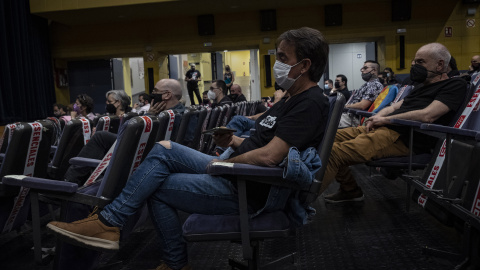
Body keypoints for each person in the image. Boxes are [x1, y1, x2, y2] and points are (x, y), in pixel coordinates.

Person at [47, 27, 330, 270]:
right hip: (239, 170)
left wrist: (224, 165)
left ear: (304, 65)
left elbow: (271, 157)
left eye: (283, 57)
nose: (277, 63)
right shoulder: (290, 99)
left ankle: (132, 237)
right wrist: (233, 141)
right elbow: (264, 143)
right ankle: (114, 226)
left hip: (250, 188)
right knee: (164, 147)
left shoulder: (309, 102)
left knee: (158, 182)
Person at [321, 43, 467, 203]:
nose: (414, 66)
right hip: (382, 128)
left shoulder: (455, 85)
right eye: (414, 62)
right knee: (325, 139)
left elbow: (428, 115)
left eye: (420, 62)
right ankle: (350, 190)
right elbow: (394, 106)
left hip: (404, 137)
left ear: (440, 64)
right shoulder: (420, 86)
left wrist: (385, 120)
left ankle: (300, 203)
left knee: (334, 153)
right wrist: (376, 118)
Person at [64, 80, 185, 186]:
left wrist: (149, 115)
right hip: (155, 152)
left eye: (155, 91)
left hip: (148, 154)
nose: (152, 95)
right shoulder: (178, 112)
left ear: (167, 95)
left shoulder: (171, 116)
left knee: (101, 136)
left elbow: (138, 134)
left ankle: (69, 182)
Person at [338, 60, 384, 128]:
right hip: (349, 115)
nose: (362, 70)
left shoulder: (375, 85)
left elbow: (363, 105)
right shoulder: (368, 84)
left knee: (326, 123)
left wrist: (345, 106)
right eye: (362, 68)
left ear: (374, 70)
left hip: (354, 118)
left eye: (365, 68)